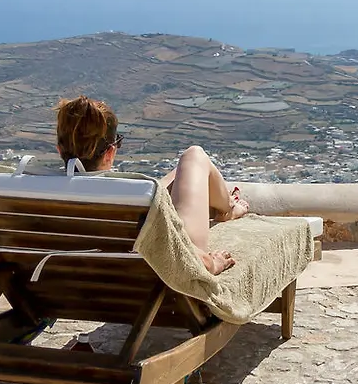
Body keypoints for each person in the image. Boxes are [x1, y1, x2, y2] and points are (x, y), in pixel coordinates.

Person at [55, 96, 250, 274]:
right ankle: (227, 208)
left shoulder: (40, 192)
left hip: (76, 281)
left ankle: (225, 206)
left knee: (179, 174)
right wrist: (213, 263)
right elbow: (194, 262)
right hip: (146, 278)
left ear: (59, 150)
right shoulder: (136, 195)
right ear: (109, 153)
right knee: (194, 156)